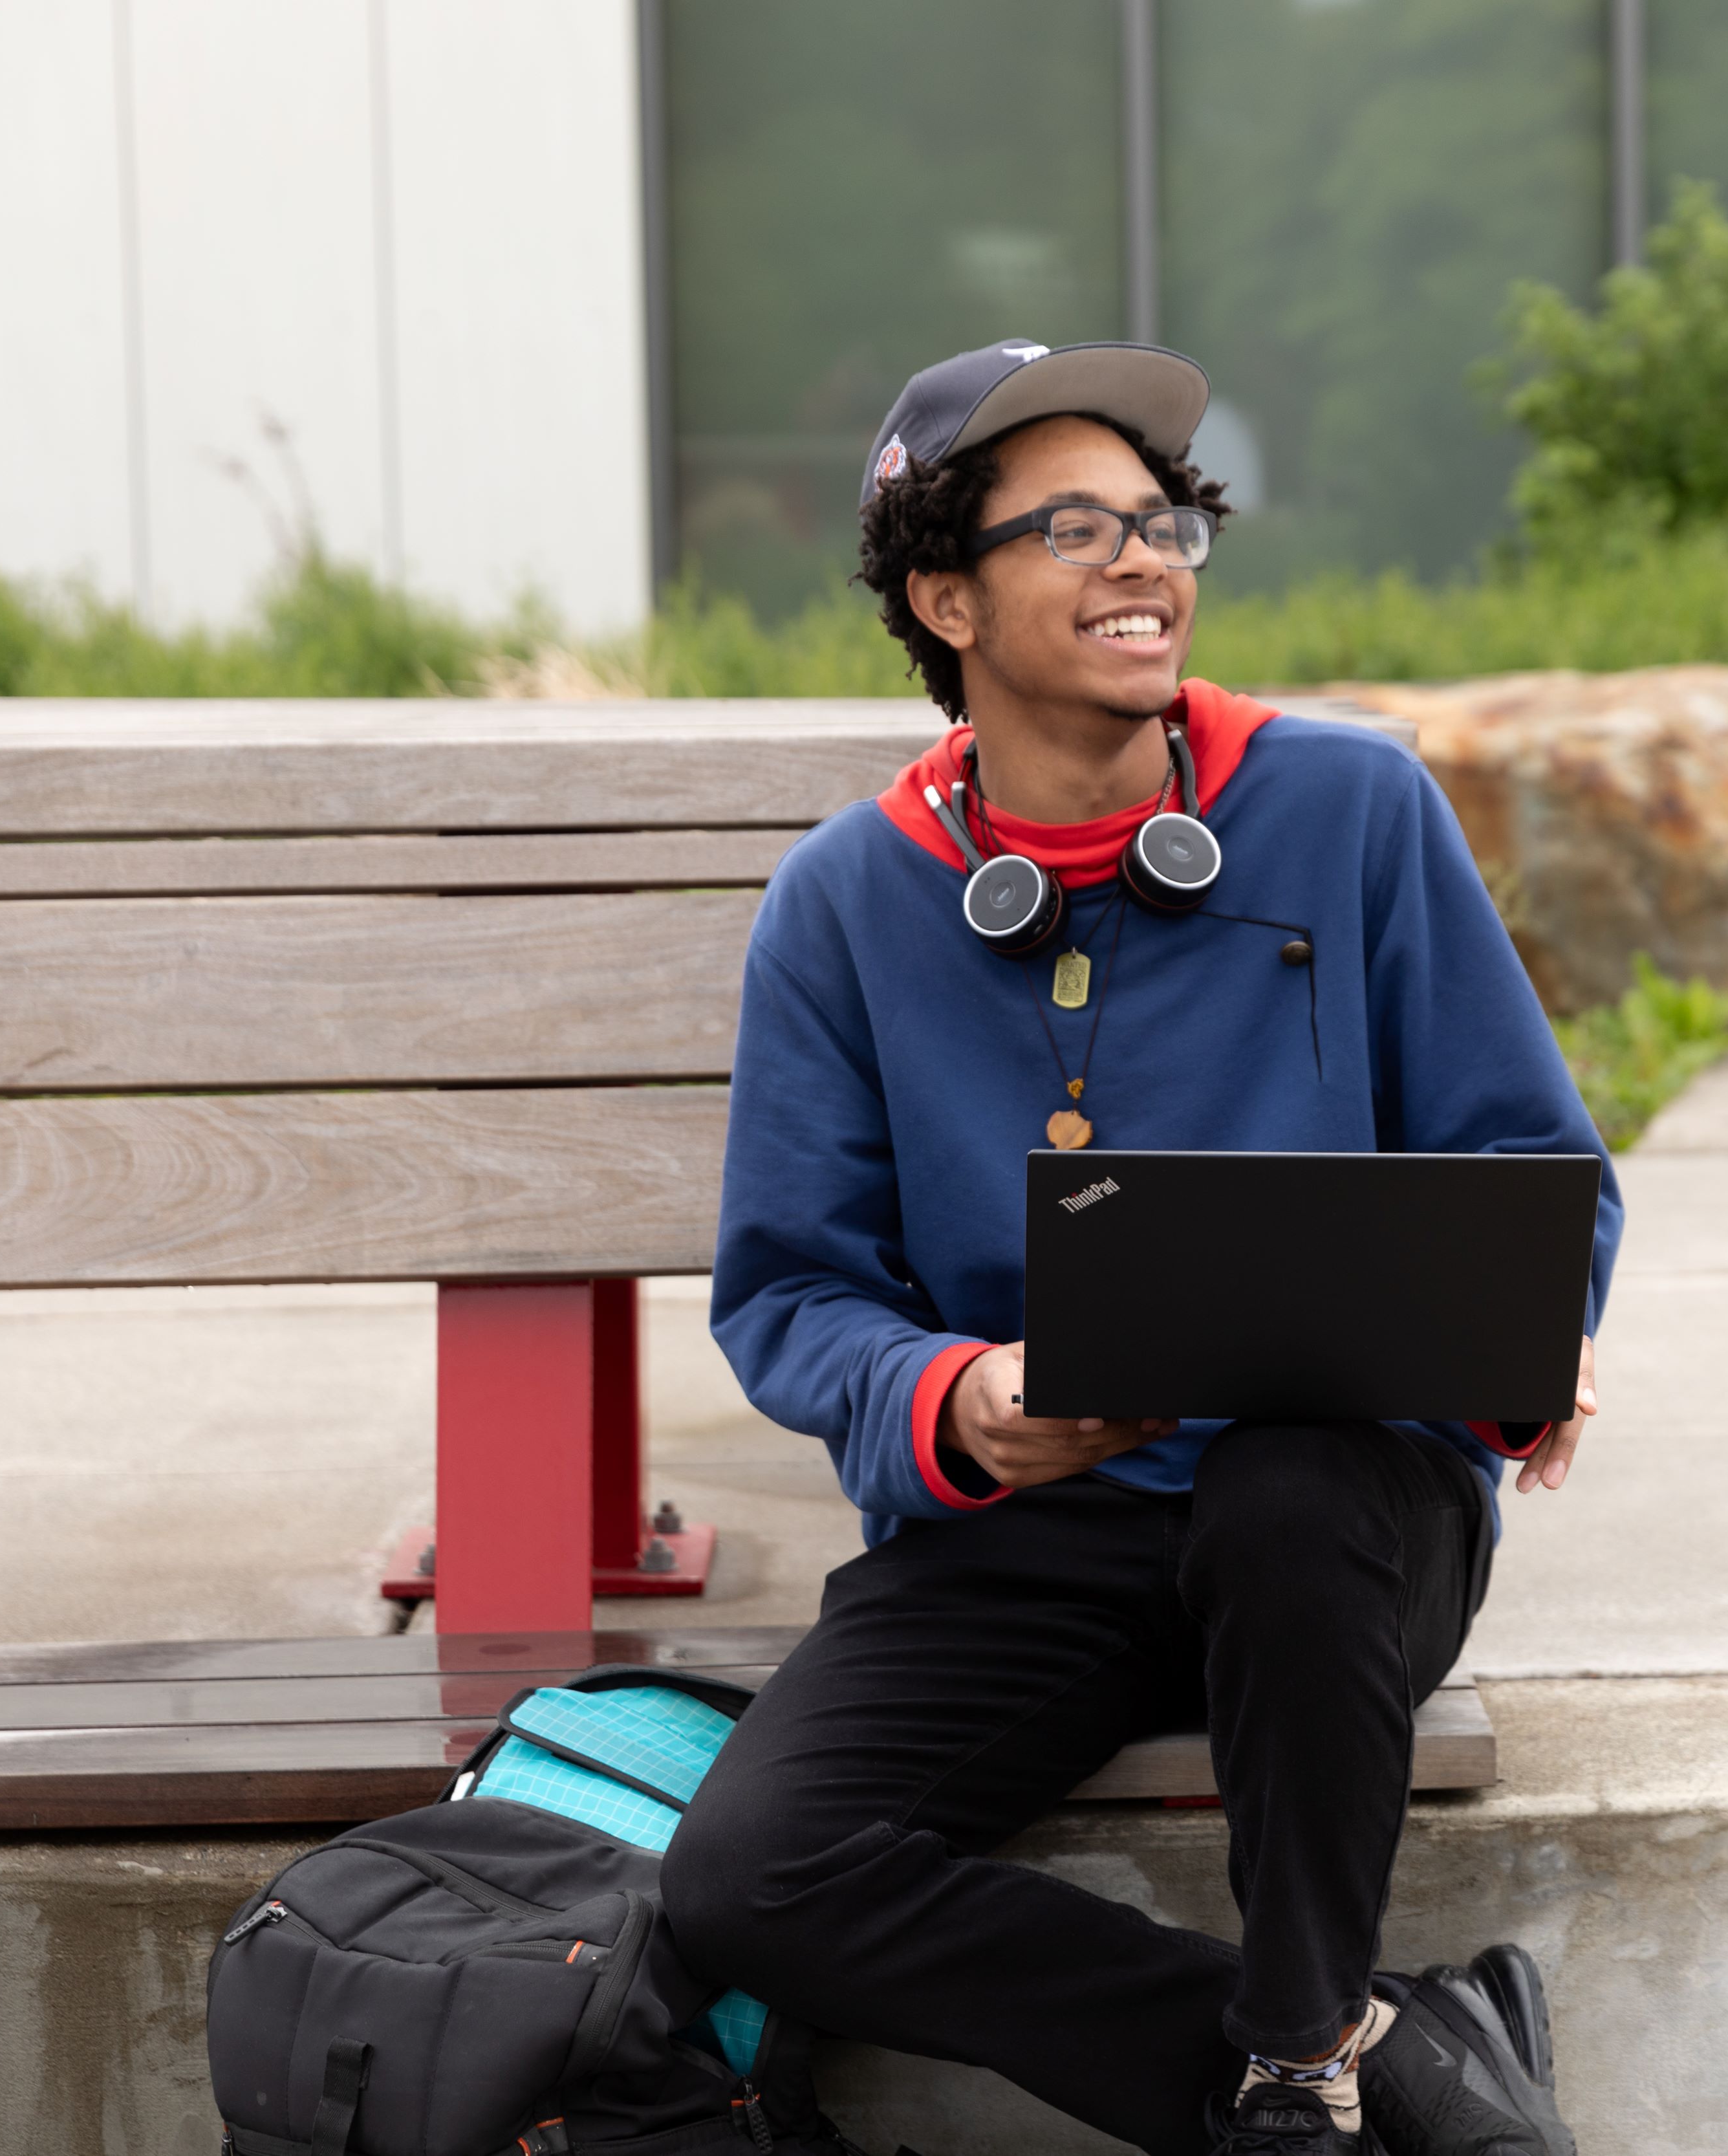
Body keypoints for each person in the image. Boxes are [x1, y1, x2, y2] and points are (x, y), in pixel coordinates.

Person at [665, 338, 1623, 2156]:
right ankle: (1371, 2049)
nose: (1146, 559)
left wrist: (1509, 1332)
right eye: (1079, 526)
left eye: (1166, 518)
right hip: (1045, 1533)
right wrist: (956, 1403)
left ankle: (1286, 2097)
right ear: (945, 595)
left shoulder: (1353, 811)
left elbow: (1528, 1159)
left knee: (1287, 1493)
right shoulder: (847, 902)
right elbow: (792, 1287)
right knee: (752, 1876)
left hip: (1340, 1526)